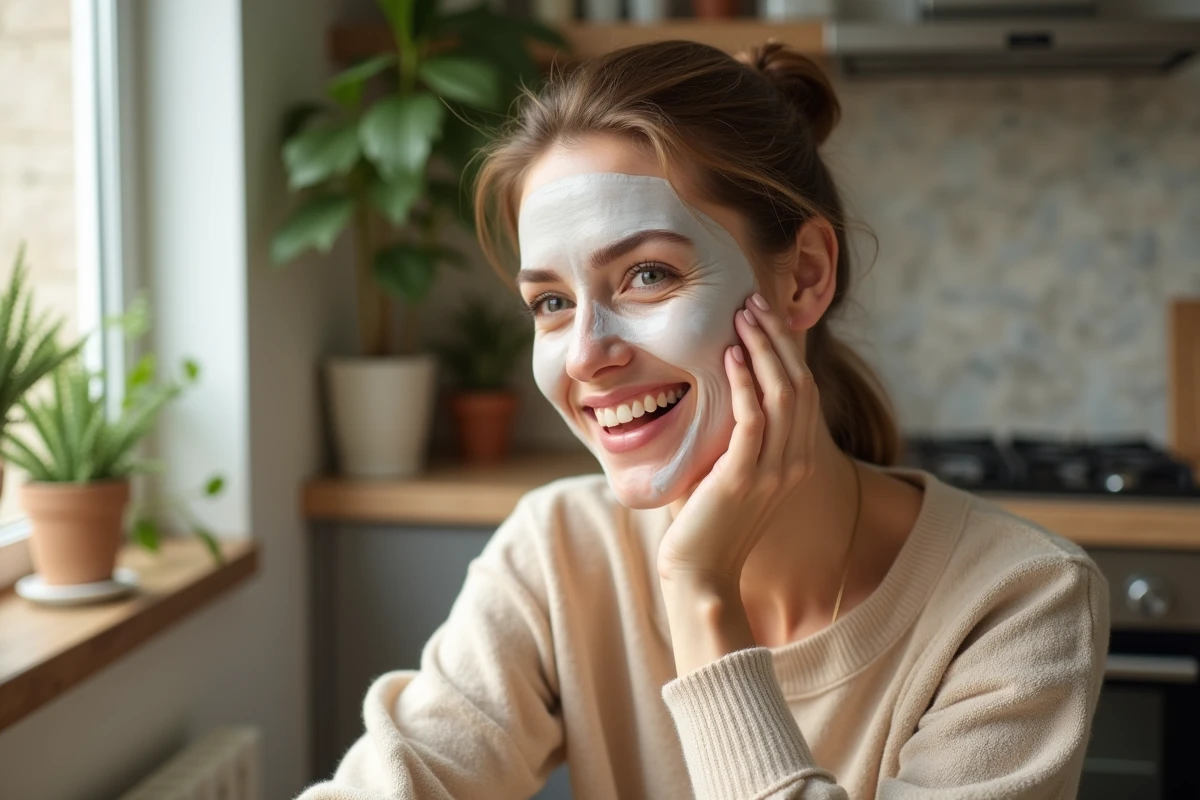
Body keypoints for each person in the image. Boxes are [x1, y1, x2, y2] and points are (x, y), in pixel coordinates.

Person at [298, 40, 1109, 800]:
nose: (584, 356)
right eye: (549, 302)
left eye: (648, 275)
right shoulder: (558, 553)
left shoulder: (1019, 601)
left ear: (805, 279)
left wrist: (700, 593)